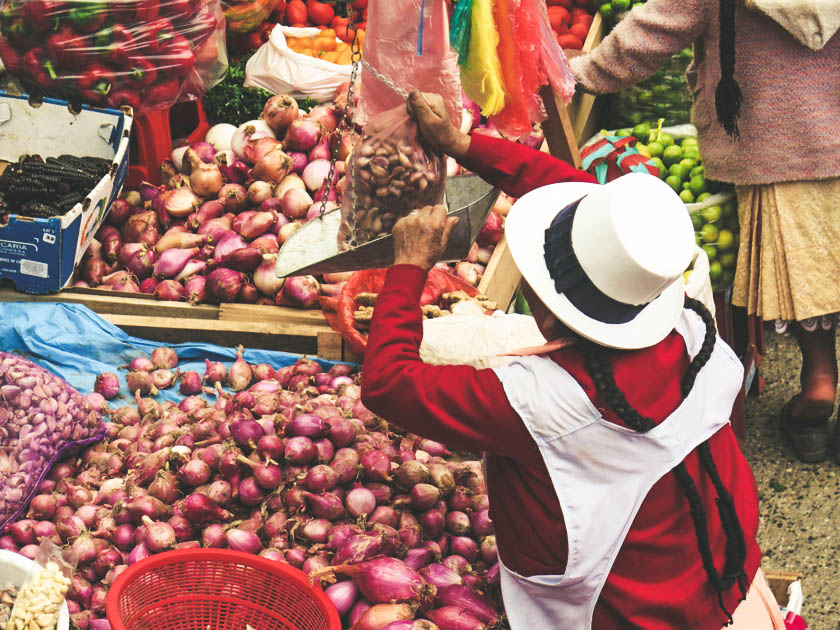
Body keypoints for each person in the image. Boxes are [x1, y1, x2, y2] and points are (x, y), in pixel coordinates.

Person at [360, 92, 784, 629]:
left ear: (552, 317)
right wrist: (461, 145)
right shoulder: (668, 308)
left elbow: (387, 383)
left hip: (629, 608)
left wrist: (409, 266)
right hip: (719, 557)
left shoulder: (539, 400)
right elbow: (575, 193)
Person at [566, 0, 840, 463]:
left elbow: (649, 35)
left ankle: (818, 386)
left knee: (805, 281)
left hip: (774, 148)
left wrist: (576, 73)